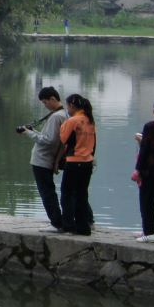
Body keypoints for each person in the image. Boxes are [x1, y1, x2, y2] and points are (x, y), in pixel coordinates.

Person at [18, 86, 68, 230]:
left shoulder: (56, 116)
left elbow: (48, 140)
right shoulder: (64, 114)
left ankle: (56, 223)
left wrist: (28, 133)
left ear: (53, 99)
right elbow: (50, 138)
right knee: (49, 191)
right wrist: (34, 131)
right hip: (49, 159)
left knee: (47, 192)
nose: (45, 106)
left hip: (42, 160)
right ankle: (58, 220)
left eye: (45, 102)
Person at [57, 93, 97, 235]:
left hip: (74, 161)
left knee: (67, 193)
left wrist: (63, 126)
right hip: (87, 162)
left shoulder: (73, 121)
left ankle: (68, 225)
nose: (67, 109)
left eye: (68, 106)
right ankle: (83, 227)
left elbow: (63, 139)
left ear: (72, 105)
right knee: (81, 194)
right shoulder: (90, 120)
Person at [132, 98, 154, 243]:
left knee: (147, 201)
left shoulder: (150, 126)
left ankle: (150, 233)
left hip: (152, 171)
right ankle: (146, 230)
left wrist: (138, 169)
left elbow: (145, 150)